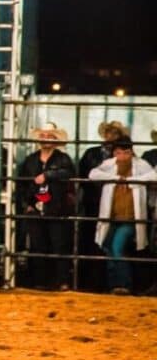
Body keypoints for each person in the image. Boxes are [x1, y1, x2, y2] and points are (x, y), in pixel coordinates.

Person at [88, 137, 156, 295]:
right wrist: (117, 178)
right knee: (109, 249)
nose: (122, 156)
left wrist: (131, 180)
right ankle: (115, 285)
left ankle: (124, 284)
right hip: (110, 216)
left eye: (126, 152)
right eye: (118, 152)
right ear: (115, 152)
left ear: (131, 152)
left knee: (117, 247)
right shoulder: (109, 164)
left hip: (130, 218)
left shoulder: (140, 165)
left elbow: (153, 176)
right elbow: (93, 174)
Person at [16, 122, 76, 291]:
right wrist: (26, 204)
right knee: (37, 245)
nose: (46, 139)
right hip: (36, 206)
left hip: (56, 207)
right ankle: (39, 281)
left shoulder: (63, 159)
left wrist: (48, 175)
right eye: (43, 136)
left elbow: (69, 174)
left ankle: (62, 280)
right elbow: (22, 185)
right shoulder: (30, 160)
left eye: (50, 136)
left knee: (59, 245)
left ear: (56, 140)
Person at [77, 121, 131, 291]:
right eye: (108, 133)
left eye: (114, 133)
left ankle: (116, 283)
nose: (110, 136)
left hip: (115, 205)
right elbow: (85, 176)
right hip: (93, 203)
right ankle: (96, 283)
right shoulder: (91, 153)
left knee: (111, 245)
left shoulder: (122, 157)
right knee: (95, 243)